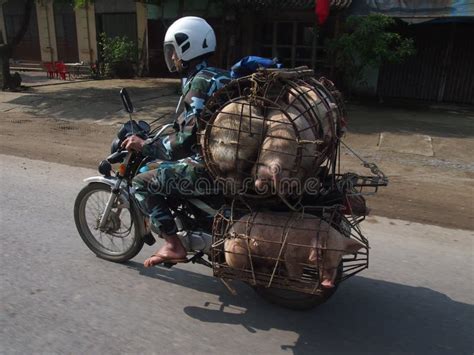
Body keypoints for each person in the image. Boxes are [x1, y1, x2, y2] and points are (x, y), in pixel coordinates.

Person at [121, 16, 231, 267]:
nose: (171, 58)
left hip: (209, 168)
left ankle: (173, 244)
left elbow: (184, 143)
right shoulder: (220, 76)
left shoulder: (199, 82)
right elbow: (196, 124)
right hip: (230, 162)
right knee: (155, 169)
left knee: (141, 181)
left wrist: (145, 145)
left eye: (173, 51)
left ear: (187, 47)